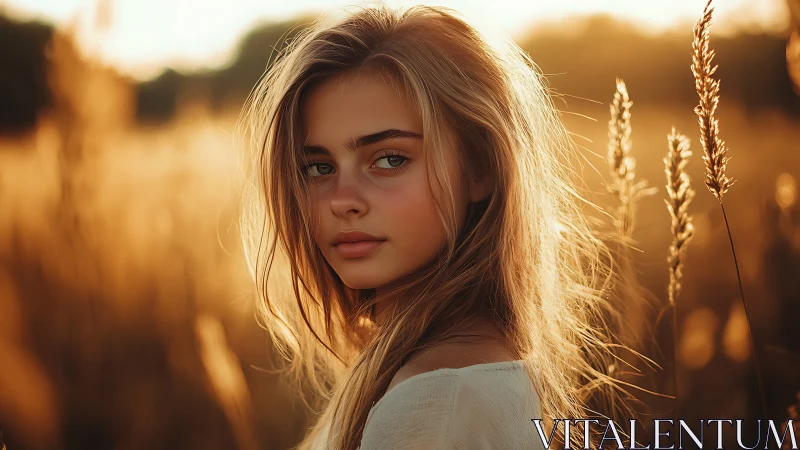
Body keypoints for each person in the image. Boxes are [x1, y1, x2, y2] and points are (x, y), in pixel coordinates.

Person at [236, 4, 632, 449]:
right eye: (318, 167)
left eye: (389, 159)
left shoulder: (439, 401)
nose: (341, 200)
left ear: (480, 168)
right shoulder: (456, 370)